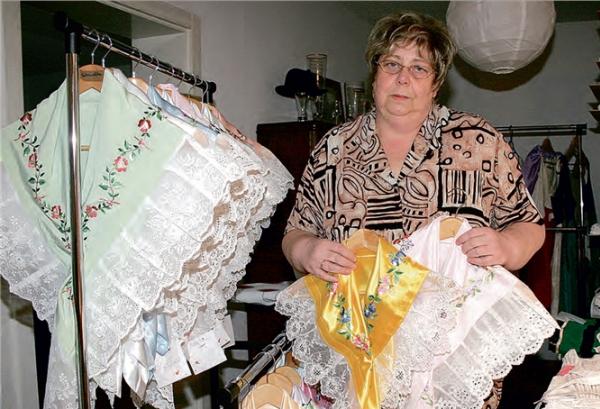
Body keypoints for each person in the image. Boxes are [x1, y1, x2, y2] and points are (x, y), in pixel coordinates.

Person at [281, 11, 545, 409]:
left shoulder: (479, 140)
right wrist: (307, 251)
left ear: (436, 83)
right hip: (360, 356)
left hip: (454, 359)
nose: (403, 78)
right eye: (392, 64)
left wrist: (508, 246)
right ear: (375, 74)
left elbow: (529, 224)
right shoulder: (333, 149)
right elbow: (295, 233)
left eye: (419, 68)